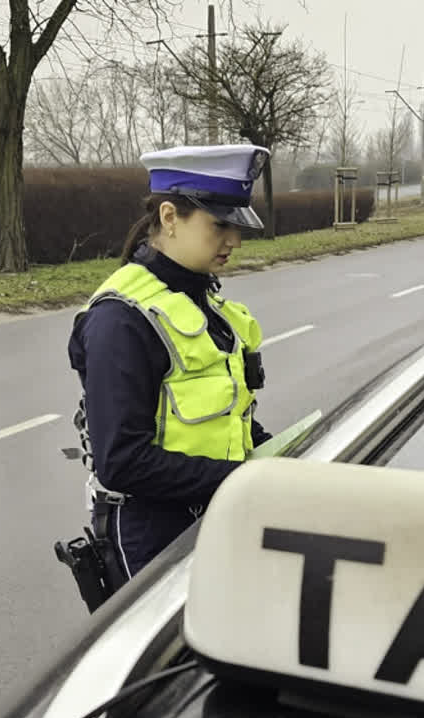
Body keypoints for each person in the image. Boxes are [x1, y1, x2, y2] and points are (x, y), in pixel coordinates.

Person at [66, 143, 273, 603]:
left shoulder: (204, 303)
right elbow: (122, 461)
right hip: (153, 536)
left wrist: (281, 458)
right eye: (220, 225)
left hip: (214, 513)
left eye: (237, 226)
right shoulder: (121, 319)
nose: (234, 241)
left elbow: (227, 418)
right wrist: (241, 478)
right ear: (169, 216)